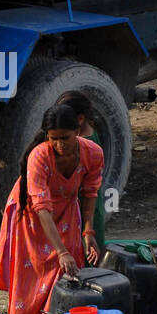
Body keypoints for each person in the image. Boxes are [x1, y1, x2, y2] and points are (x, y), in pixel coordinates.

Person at [0, 104, 103, 314]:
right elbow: (41, 206)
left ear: (78, 130)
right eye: (54, 139)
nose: (60, 145)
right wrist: (61, 250)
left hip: (66, 210)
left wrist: (88, 231)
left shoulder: (93, 153)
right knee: (35, 269)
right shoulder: (40, 156)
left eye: (65, 138)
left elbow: (90, 193)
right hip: (33, 213)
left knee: (65, 271)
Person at [56, 91, 108, 244]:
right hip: (90, 205)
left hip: (83, 206)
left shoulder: (82, 144)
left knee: (85, 250)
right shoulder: (90, 134)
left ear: (80, 119)